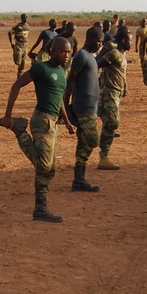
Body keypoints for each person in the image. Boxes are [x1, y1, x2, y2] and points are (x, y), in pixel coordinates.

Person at [0, 37, 75, 223]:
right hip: (42, 120)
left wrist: (68, 122)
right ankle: (19, 131)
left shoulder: (62, 73)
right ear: (52, 51)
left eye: (68, 52)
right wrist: (8, 115)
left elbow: (60, 102)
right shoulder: (42, 68)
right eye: (62, 51)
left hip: (53, 122)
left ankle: (40, 209)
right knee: (44, 165)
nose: (66, 55)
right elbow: (16, 85)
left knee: (49, 170)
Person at [63, 26, 104, 192]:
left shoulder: (91, 57)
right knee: (94, 140)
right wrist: (65, 107)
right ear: (91, 39)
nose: (100, 45)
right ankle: (79, 178)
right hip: (83, 108)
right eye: (99, 41)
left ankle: (78, 179)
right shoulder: (81, 56)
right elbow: (70, 82)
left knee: (83, 143)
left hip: (91, 107)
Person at [96, 25, 128, 170]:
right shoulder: (114, 53)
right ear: (123, 40)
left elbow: (121, 73)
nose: (132, 43)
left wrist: (125, 86)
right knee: (112, 122)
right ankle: (104, 156)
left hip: (116, 92)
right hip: (109, 91)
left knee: (109, 121)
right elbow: (97, 63)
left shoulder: (122, 55)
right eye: (130, 40)